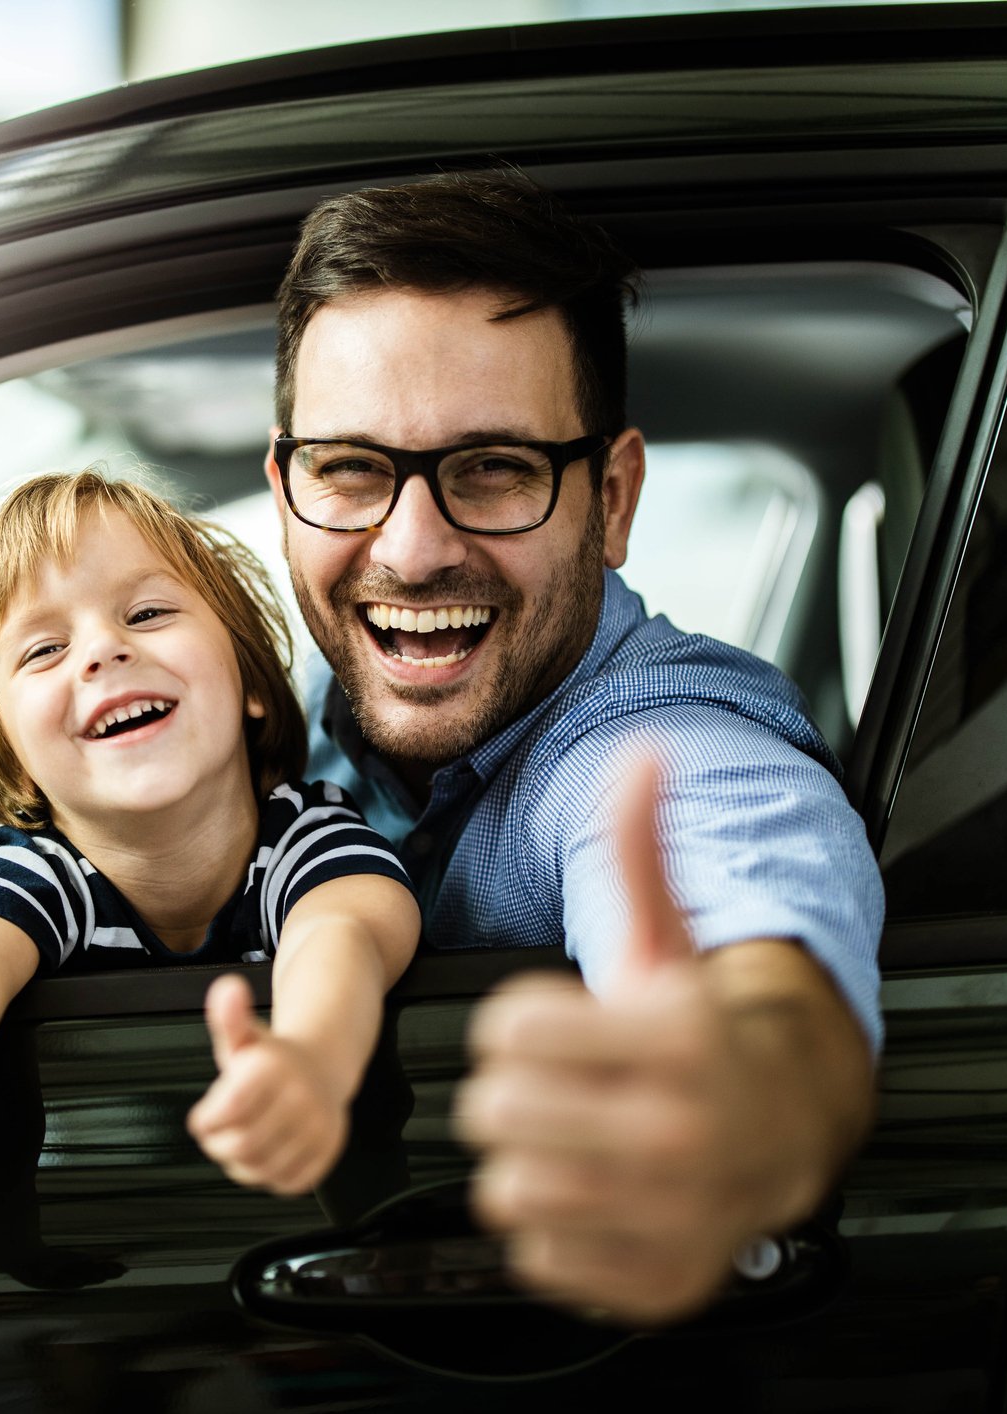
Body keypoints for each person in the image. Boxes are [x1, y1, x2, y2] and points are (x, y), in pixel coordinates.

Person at [265, 169, 884, 1323]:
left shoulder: (660, 749)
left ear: (610, 498)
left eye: (493, 468)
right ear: (285, 484)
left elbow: (757, 971)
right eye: (350, 469)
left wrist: (723, 1112)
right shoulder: (281, 708)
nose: (408, 549)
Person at [0, 470, 420, 1197]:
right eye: (42, 650)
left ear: (252, 681)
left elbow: (346, 936)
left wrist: (308, 1057)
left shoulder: (306, 834)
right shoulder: (36, 875)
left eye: (145, 613)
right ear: (10, 761)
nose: (102, 650)